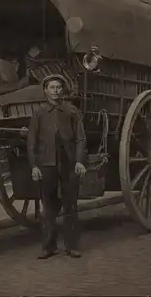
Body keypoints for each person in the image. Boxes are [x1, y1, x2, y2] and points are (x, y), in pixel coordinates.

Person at [27, 73, 87, 259]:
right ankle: (48, 246)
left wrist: (79, 161)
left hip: (69, 164)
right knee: (49, 206)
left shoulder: (71, 111)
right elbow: (32, 142)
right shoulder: (39, 113)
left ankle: (72, 246)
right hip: (47, 164)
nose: (55, 91)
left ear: (63, 90)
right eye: (52, 87)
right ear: (45, 91)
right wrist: (34, 166)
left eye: (59, 87)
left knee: (70, 205)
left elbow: (80, 138)